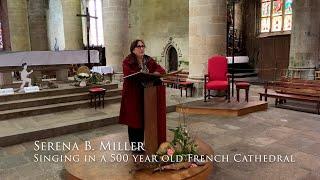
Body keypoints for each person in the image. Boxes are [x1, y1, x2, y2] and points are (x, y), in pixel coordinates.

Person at [119, 39, 166, 152]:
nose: (141, 48)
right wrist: (143, 75)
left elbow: (161, 69)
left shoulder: (148, 60)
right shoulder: (128, 61)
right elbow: (128, 74)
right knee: (134, 122)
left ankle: (144, 144)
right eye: (138, 46)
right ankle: (136, 147)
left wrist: (156, 73)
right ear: (133, 49)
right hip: (133, 95)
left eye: (143, 46)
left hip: (147, 95)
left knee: (143, 120)